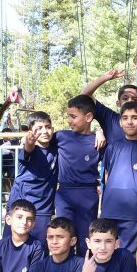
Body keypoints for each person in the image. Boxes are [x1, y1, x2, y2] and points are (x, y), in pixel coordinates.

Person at [55, 94, 104, 250]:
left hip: (87, 195)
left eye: (73, 116)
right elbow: (41, 141)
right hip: (64, 193)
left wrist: (99, 132)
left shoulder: (99, 141)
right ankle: (65, 265)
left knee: (85, 239)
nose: (69, 120)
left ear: (88, 117)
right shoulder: (61, 136)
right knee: (63, 236)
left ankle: (84, 265)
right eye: (68, 116)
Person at [100, 101, 137, 255]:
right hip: (110, 210)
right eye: (125, 118)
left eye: (135, 117)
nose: (130, 122)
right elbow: (107, 175)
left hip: (134, 212)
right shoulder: (112, 147)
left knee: (130, 256)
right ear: (120, 122)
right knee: (106, 254)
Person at [6, 111, 58, 243]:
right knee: (13, 244)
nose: (44, 131)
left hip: (42, 208)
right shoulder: (30, 148)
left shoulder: (56, 147)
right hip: (20, 204)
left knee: (39, 246)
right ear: (31, 132)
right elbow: (28, 148)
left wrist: (98, 132)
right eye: (39, 128)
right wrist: (29, 142)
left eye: (48, 127)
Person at [81, 68, 137, 142]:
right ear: (118, 103)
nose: (130, 101)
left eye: (135, 99)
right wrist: (105, 77)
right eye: (125, 98)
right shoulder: (110, 119)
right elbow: (85, 95)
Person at [0, 127, 18, 215]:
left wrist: (5, 150)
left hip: (11, 164)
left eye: (9, 134)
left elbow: (2, 150)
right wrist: (8, 152)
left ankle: (15, 202)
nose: (8, 136)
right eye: (5, 134)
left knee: (16, 178)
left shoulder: (14, 142)